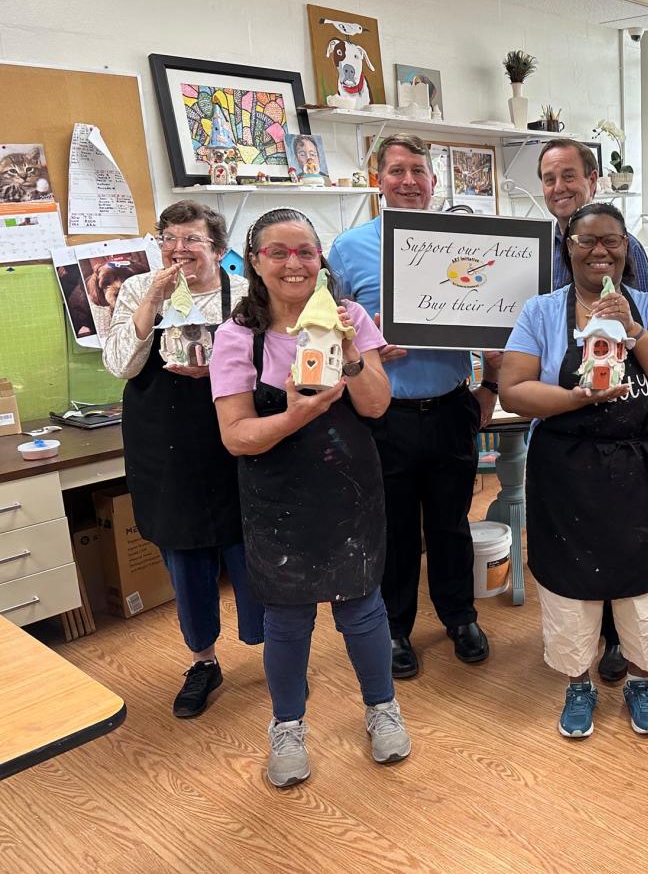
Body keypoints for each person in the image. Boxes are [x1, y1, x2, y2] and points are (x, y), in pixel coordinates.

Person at [211, 208, 410, 788]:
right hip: (279, 499)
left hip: (350, 489)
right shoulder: (237, 338)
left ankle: (382, 709)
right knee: (288, 618)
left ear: (321, 259)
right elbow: (236, 436)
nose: (294, 263)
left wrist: (350, 351)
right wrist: (295, 417)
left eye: (305, 251)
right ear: (256, 262)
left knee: (362, 607)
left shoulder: (349, 319)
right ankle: (288, 726)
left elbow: (375, 405)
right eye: (279, 252)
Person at [500, 202, 648, 738]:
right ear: (569, 248)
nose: (599, 251)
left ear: (626, 247)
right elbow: (515, 390)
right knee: (569, 585)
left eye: (611, 241)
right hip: (567, 472)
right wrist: (577, 396)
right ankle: (578, 683)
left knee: (645, 583)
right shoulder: (542, 312)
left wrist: (634, 331)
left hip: (645, 471)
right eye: (586, 241)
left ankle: (639, 679)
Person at [329, 134, 496, 679]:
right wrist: (370, 343)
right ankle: (396, 628)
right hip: (384, 415)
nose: (408, 180)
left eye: (418, 171)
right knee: (395, 529)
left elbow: (490, 310)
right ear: (377, 179)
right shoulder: (348, 248)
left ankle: (460, 616)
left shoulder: (464, 241)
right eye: (396, 170)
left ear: (433, 181)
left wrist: (489, 382)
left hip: (450, 406)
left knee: (452, 523)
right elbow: (328, 332)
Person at [102, 200, 261, 718]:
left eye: (192, 239)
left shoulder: (245, 295)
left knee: (250, 545)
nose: (178, 249)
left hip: (232, 430)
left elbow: (269, 364)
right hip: (164, 437)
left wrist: (220, 371)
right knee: (185, 552)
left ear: (218, 248)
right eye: (168, 238)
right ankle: (203, 661)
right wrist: (152, 297)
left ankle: (272, 648)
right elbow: (121, 364)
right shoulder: (134, 289)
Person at [538, 137, 648, 682]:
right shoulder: (530, 246)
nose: (558, 187)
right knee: (571, 544)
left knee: (623, 539)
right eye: (548, 178)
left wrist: (630, 333)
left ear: (592, 180)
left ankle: (617, 644)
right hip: (561, 425)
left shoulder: (626, 250)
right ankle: (579, 655)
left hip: (623, 418)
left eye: (568, 176)